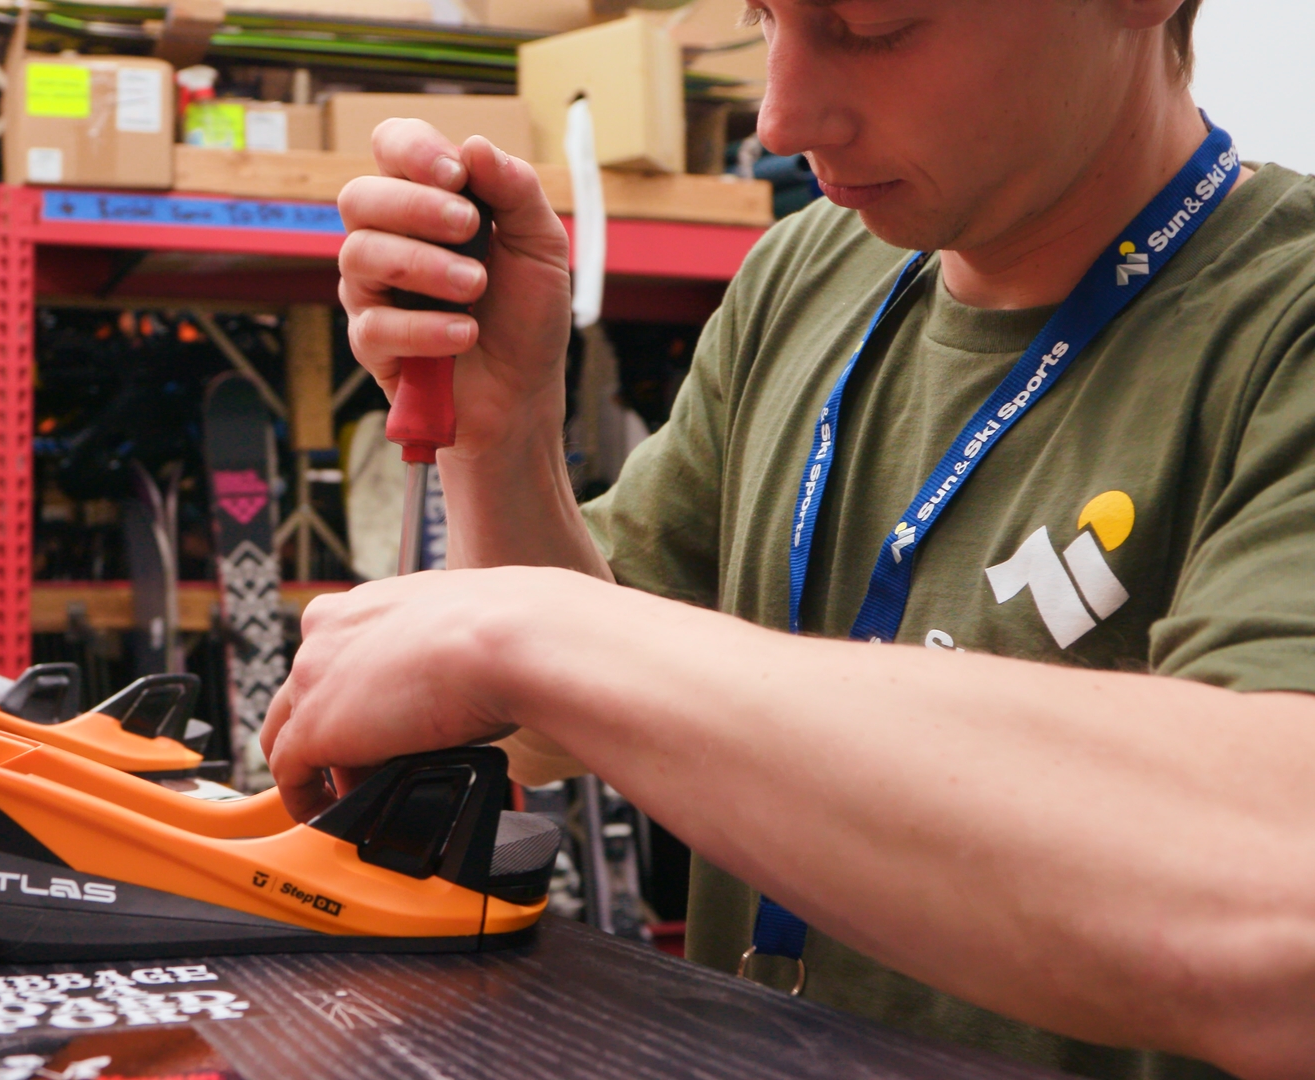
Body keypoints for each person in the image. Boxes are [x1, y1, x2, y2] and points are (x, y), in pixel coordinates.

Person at [263, 1, 1315, 1078]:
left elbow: (1281, 908)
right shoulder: (810, 276)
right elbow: (546, 730)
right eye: (764, 15)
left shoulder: (1285, 324)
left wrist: (527, 635)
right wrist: (504, 431)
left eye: (873, 25)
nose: (779, 116)